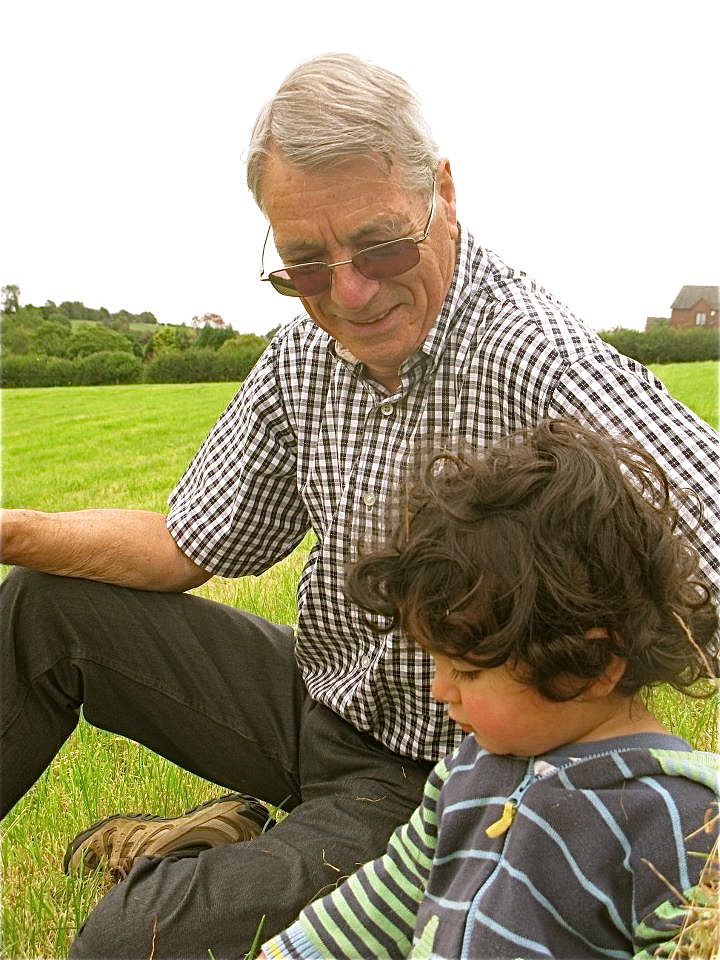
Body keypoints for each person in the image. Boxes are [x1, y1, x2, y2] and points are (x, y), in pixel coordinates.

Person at [1, 52, 718, 958]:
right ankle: (249, 845)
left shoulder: (538, 359)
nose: (349, 292)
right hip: (315, 698)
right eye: (305, 264)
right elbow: (186, 544)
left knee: (131, 939)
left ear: (443, 194)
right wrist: (11, 531)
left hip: (434, 773)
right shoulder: (303, 357)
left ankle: (202, 859)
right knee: (42, 608)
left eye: (380, 245)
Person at [260, 418, 719, 960]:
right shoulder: (469, 770)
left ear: (588, 664)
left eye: (468, 672)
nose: (439, 691)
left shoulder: (683, 820)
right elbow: (397, 889)